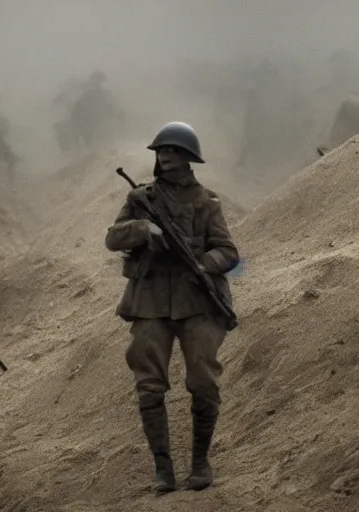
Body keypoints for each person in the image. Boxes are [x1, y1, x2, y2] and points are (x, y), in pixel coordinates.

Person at [104, 122, 240, 493]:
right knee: (149, 385)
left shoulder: (206, 202)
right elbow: (112, 238)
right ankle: (162, 468)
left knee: (203, 381)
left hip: (197, 301)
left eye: (172, 151)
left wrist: (202, 264)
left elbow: (228, 252)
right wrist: (143, 230)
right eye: (160, 151)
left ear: (187, 158)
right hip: (149, 301)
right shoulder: (141, 200)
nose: (164, 156)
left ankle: (200, 461)